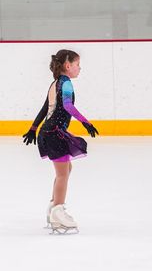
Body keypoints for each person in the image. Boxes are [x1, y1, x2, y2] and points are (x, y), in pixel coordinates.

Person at [22, 49, 99, 234]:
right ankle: (58, 211)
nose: (79, 68)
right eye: (77, 65)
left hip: (50, 132)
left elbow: (44, 108)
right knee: (63, 173)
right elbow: (67, 105)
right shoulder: (66, 84)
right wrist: (86, 122)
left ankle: (53, 207)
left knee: (65, 170)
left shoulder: (55, 83)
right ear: (67, 65)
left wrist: (33, 129)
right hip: (54, 133)